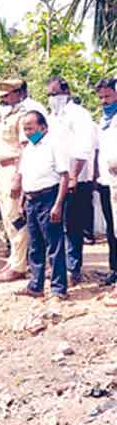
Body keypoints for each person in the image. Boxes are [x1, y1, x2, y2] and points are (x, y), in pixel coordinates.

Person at [13, 111, 69, 299]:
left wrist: (58, 205)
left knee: (54, 245)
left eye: (30, 128)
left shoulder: (54, 145)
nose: (27, 132)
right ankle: (36, 286)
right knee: (35, 246)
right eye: (25, 129)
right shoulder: (29, 149)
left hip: (49, 199)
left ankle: (58, 288)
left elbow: (64, 176)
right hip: (31, 201)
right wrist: (22, 201)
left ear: (43, 127)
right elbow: (25, 177)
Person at [47, 75, 97, 286]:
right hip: (57, 179)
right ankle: (59, 266)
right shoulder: (52, 117)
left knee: (73, 225)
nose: (51, 98)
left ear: (65, 92)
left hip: (76, 179)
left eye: (54, 94)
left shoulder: (79, 115)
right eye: (49, 94)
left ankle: (72, 269)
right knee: (56, 224)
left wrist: (74, 176)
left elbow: (83, 148)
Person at [0, 79, 30, 283]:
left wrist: (18, 177)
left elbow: (25, 148)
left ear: (17, 93)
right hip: (1, 169)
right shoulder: (6, 116)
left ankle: (20, 265)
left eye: (6, 96)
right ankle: (15, 259)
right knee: (7, 217)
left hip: (13, 168)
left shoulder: (22, 116)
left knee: (16, 217)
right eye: (1, 97)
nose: (3, 100)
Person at [95, 77, 117, 291]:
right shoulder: (103, 120)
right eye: (101, 97)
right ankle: (114, 268)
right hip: (105, 181)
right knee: (112, 227)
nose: (104, 101)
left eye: (108, 96)